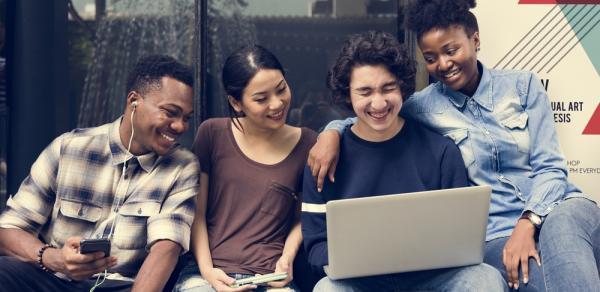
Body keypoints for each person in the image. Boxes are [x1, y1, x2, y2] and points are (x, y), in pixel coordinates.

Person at [308, 1, 600, 291]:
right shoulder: (422, 106)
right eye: (431, 57)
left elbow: (550, 167)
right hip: (496, 233)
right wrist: (331, 132)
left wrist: (528, 222)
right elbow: (375, 117)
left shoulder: (523, 86)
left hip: (557, 206)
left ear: (475, 39)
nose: (443, 64)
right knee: (531, 277)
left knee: (562, 230)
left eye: (451, 50)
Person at [301, 30, 506, 292]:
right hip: (359, 283)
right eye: (365, 92)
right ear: (347, 94)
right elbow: (316, 246)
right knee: (327, 289)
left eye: (388, 88)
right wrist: (359, 260)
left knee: (484, 278)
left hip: (431, 280)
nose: (378, 103)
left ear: (402, 87)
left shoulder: (441, 152)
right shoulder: (324, 158)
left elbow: (461, 239)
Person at [0, 55, 199, 292]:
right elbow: (9, 229)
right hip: (55, 280)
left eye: (186, 118)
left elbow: (166, 249)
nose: (180, 126)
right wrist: (56, 259)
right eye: (170, 112)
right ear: (134, 101)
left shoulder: (183, 166)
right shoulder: (69, 148)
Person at [173, 45, 317, 292]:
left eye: (281, 89)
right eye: (261, 99)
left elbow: (302, 217)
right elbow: (196, 214)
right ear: (235, 102)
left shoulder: (308, 143)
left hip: (271, 277)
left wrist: (287, 258)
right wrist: (208, 272)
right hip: (207, 273)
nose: (277, 104)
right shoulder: (212, 134)